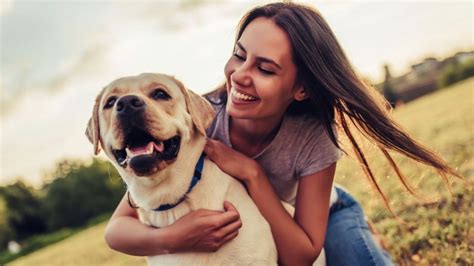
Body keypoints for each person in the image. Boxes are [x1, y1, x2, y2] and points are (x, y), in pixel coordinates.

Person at [104, 2, 460, 265]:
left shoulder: (313, 137)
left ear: (300, 88)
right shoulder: (196, 121)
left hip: (322, 216)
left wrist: (252, 173)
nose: (240, 75)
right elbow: (118, 227)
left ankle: (366, 235)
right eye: (239, 55)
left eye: (265, 68)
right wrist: (171, 238)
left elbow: (301, 255)